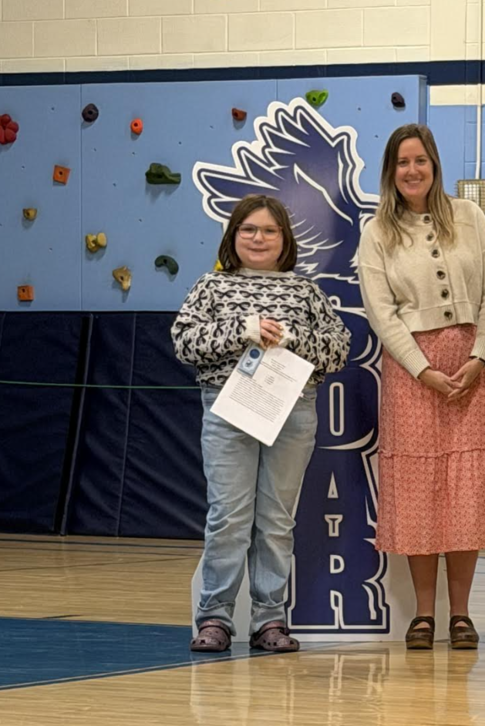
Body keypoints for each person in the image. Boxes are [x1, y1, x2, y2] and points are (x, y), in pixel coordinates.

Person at [357, 123, 485, 651]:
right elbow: (381, 313)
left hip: (476, 368)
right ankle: (424, 614)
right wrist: (421, 367)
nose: (411, 170)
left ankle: (462, 615)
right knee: (422, 491)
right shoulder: (377, 231)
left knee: (467, 491)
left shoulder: (470, 218)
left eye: (420, 160)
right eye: (402, 162)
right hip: (413, 374)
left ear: (434, 164)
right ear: (390, 170)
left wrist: (480, 355)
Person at [172, 194, 351, 653]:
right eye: (249, 229)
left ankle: (269, 620)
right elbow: (184, 342)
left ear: (284, 239)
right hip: (228, 409)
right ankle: (214, 618)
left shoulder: (304, 291)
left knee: (275, 521)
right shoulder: (210, 287)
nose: (258, 238)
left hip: (292, 409)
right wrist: (243, 331)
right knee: (229, 517)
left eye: (269, 230)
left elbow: (339, 348)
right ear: (233, 236)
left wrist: (293, 338)